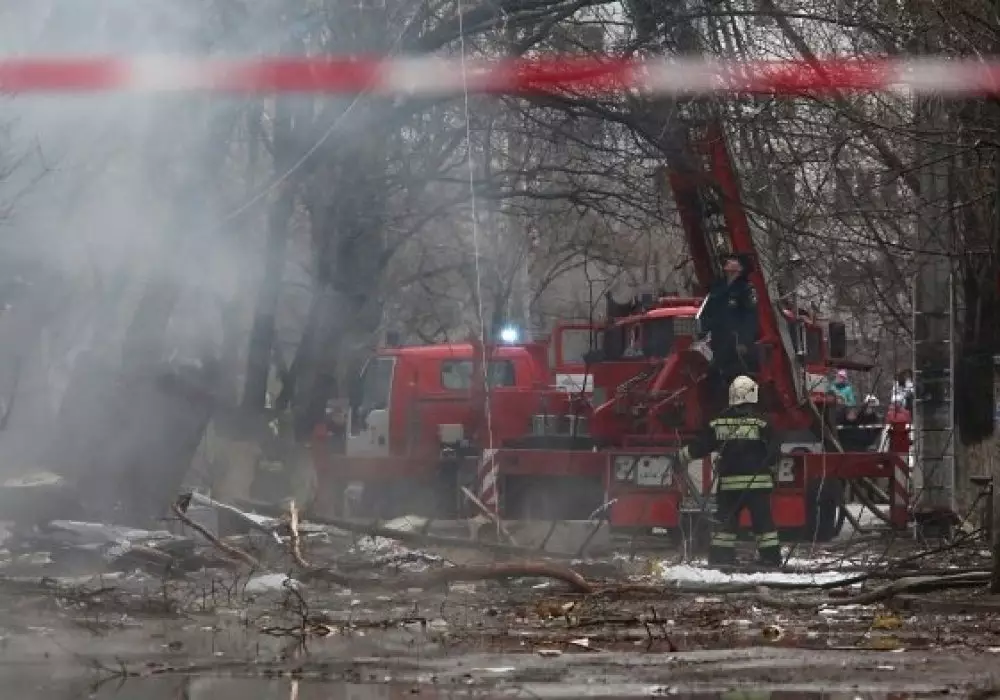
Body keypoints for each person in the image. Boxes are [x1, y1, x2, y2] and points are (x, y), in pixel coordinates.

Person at [675, 375, 782, 568]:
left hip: (730, 486)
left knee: (725, 524)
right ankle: (771, 559)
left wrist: (679, 458)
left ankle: (721, 558)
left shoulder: (719, 423)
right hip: (758, 485)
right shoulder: (762, 423)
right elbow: (774, 452)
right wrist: (773, 471)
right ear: (754, 395)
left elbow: (701, 446)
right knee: (763, 524)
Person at [700, 254, 761, 409]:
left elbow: (750, 317)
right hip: (718, 339)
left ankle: (743, 409)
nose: (728, 262)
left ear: (741, 268)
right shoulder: (717, 287)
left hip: (736, 342)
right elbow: (707, 312)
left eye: (734, 260)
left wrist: (744, 341)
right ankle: (717, 407)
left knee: (738, 375)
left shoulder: (746, 289)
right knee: (713, 372)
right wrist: (703, 331)